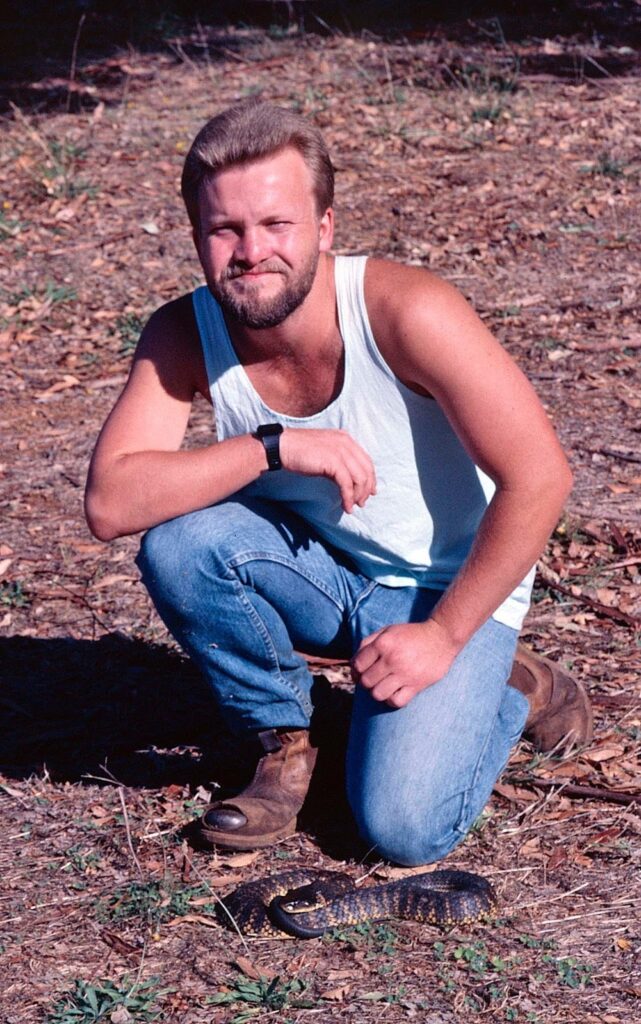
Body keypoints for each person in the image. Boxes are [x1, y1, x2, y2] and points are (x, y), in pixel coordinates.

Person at [85, 101, 592, 866]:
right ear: (196, 236)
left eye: (276, 224)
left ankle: (508, 682)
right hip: (324, 575)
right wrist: (272, 447)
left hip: (448, 589)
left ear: (323, 227)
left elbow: (540, 477)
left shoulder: (405, 310)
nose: (251, 252)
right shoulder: (184, 330)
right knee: (186, 543)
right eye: (225, 230)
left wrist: (445, 636)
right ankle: (285, 744)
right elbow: (111, 503)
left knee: (401, 828)